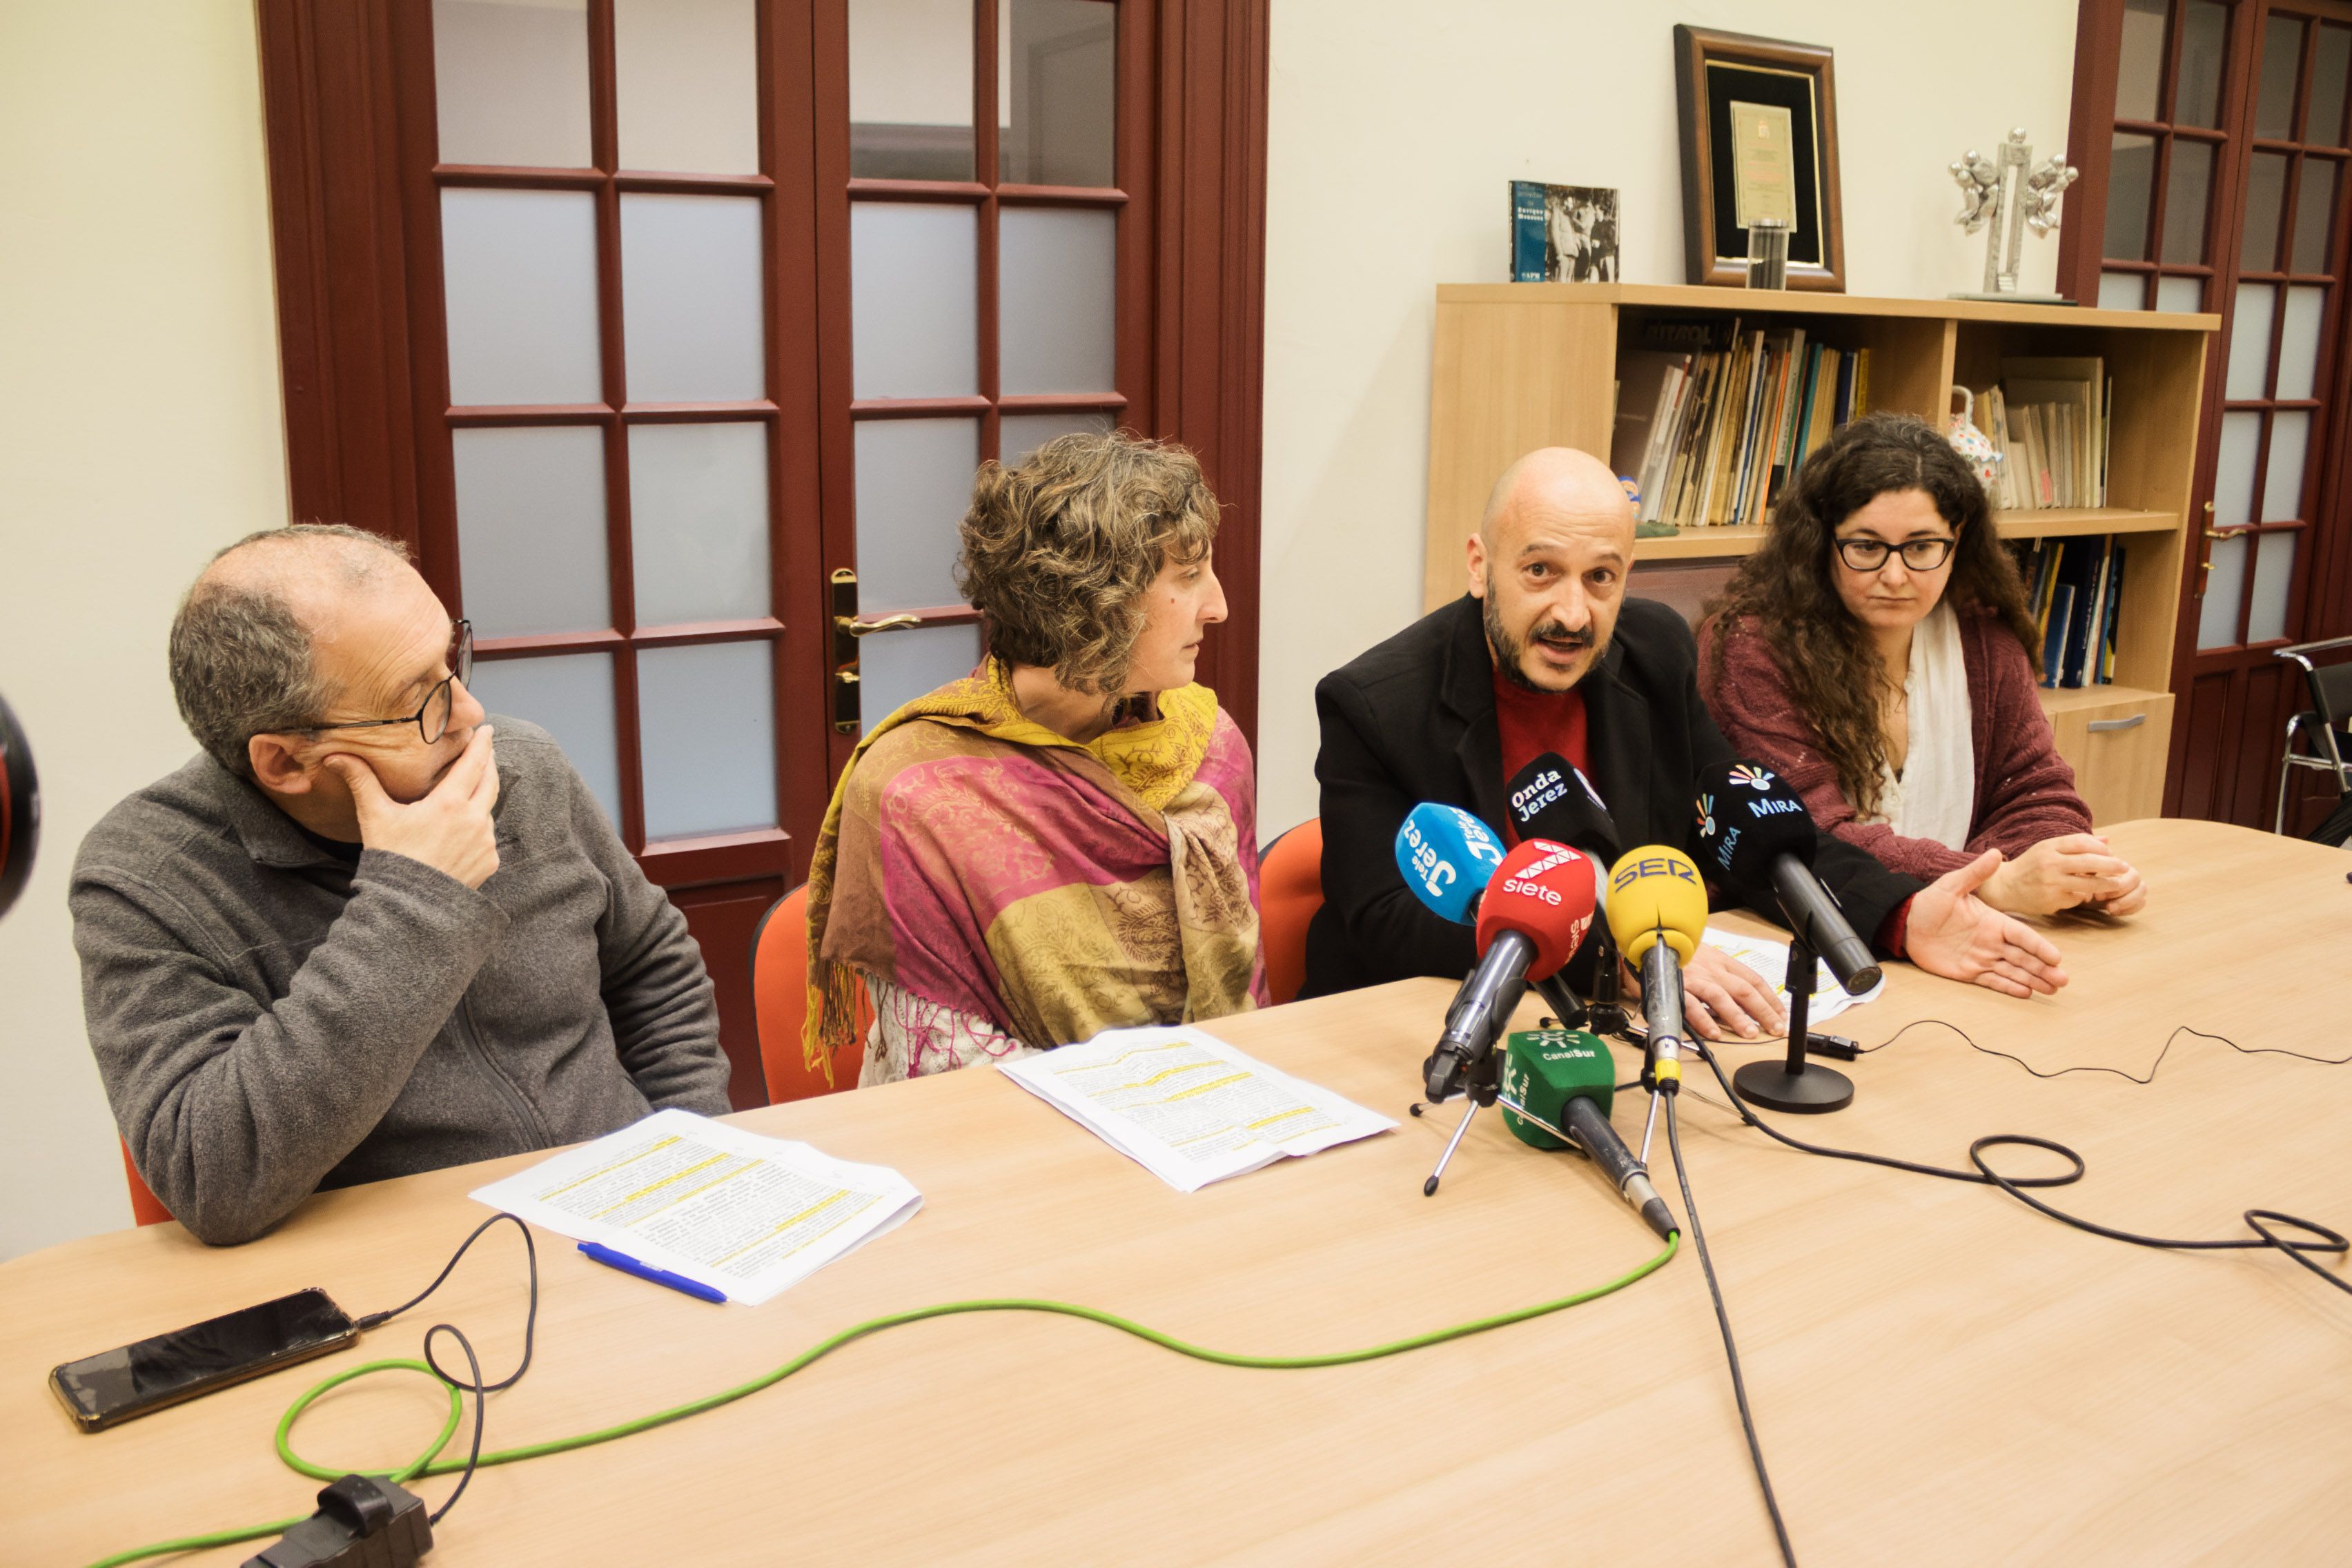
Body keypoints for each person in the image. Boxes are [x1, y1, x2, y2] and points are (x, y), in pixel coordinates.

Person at [72, 525, 732, 1245]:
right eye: (419, 701)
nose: (473, 716)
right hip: (407, 1275)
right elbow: (212, 1177)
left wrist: (693, 1157)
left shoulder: (523, 768)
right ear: (285, 763)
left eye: (453, 664)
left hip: (634, 1216)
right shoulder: (144, 876)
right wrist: (414, 895)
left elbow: (652, 967)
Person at [1305, 447, 2069, 1037]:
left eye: (1601, 577)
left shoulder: (1656, 652)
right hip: (1430, 1032)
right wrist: (1628, 952)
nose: (1572, 612)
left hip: (1628, 1035)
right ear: (1480, 565)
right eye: (1540, 571)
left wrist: (1901, 914)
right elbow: (1384, 924)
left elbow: (1746, 828)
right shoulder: (1375, 704)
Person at [805, 431, 1264, 1085]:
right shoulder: (917, 790)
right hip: (1002, 1138)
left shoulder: (1210, 744)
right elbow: (946, 1067)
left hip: (1209, 1113)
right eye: (1188, 577)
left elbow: (1243, 998)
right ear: (1094, 602)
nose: (1217, 606)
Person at [1698, 413, 2146, 918]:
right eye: (1866, 547)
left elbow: (2036, 790)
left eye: (1921, 547)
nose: (1895, 575)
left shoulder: (1984, 638)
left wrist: (2070, 867)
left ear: (1957, 541)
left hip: (1965, 922)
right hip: (1803, 929)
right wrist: (1990, 881)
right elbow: (1807, 834)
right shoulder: (1752, 646)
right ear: (1821, 543)